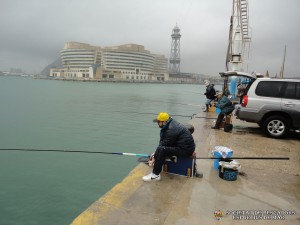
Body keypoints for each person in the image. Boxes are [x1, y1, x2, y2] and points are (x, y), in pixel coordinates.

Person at [142, 112, 196, 181]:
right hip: (185, 146)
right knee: (160, 149)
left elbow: (163, 145)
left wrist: (154, 157)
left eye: (159, 122)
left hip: (186, 150)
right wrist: (155, 154)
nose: (157, 123)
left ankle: (155, 175)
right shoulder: (170, 124)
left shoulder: (171, 130)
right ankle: (157, 162)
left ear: (164, 122)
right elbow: (164, 142)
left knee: (162, 149)